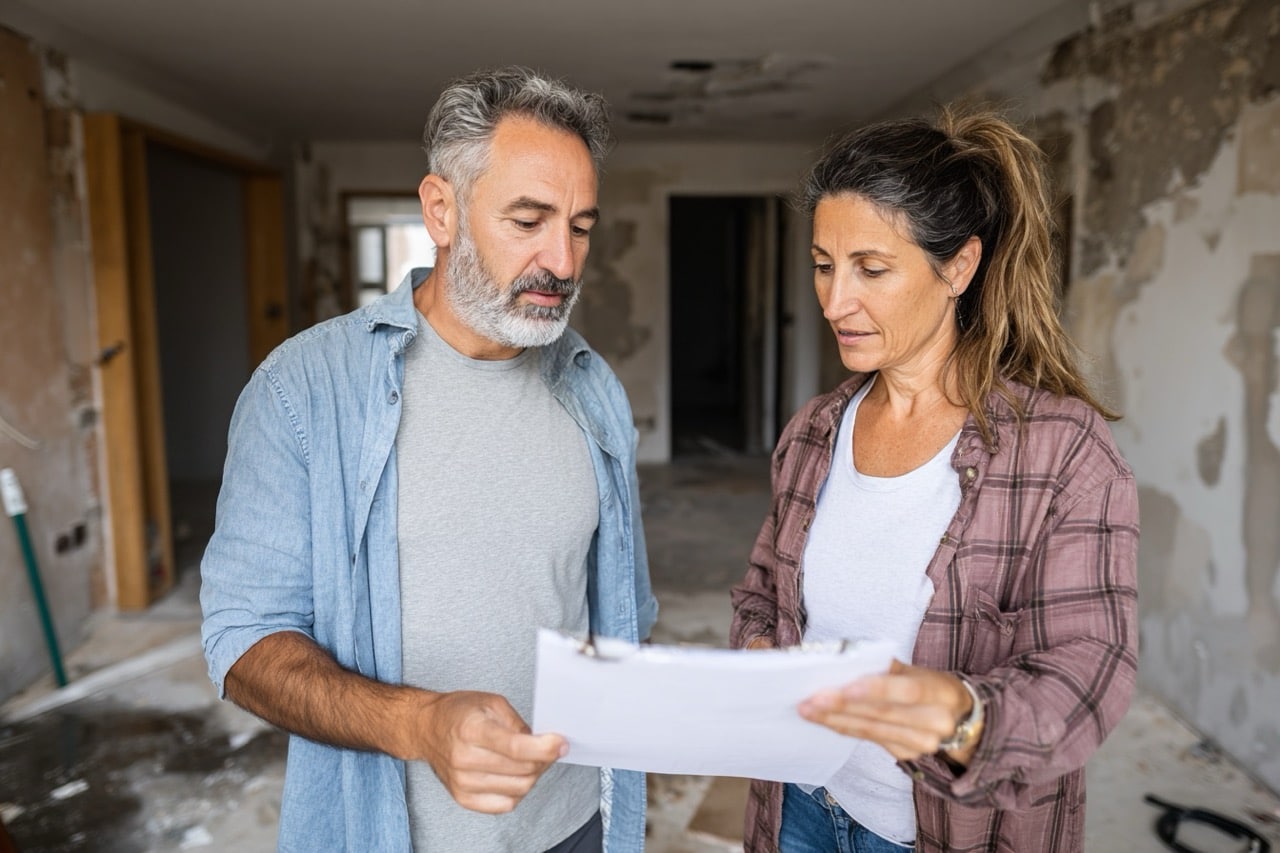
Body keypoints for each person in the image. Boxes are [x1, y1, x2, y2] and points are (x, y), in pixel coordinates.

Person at [200, 66, 657, 853]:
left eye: (580, 226)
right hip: (391, 834)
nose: (564, 259)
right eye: (528, 219)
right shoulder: (304, 391)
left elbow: (623, 613)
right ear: (441, 210)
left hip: (579, 823)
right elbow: (243, 642)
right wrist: (420, 724)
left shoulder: (591, 386)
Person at [729, 107, 1139, 852]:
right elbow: (762, 592)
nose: (834, 301)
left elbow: (1092, 665)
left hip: (946, 830)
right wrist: (760, 651)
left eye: (872, 269)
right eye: (824, 265)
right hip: (797, 805)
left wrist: (961, 713)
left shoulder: (1062, 450)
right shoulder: (815, 432)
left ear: (958, 266)